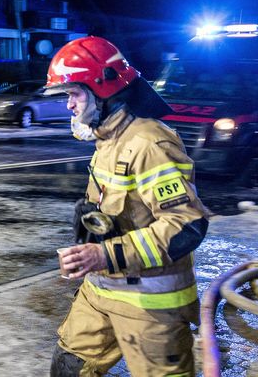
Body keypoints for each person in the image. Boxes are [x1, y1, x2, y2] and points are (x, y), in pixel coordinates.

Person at [42, 36, 210, 376]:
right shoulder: (108, 139)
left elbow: (185, 226)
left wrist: (104, 255)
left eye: (73, 94)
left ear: (102, 89)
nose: (69, 105)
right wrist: (89, 216)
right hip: (102, 289)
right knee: (68, 368)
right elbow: (118, 204)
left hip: (151, 304)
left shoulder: (149, 142)